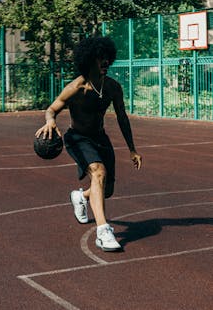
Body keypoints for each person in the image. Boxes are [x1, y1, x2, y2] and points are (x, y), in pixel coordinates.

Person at [35, 36, 142, 252]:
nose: (105, 62)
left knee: (107, 190)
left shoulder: (113, 88)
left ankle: (81, 196)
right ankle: (103, 231)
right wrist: (50, 121)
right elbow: (52, 108)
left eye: (107, 58)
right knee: (98, 173)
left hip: (100, 138)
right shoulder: (76, 87)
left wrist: (132, 149)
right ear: (89, 60)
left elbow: (122, 118)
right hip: (77, 138)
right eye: (99, 58)